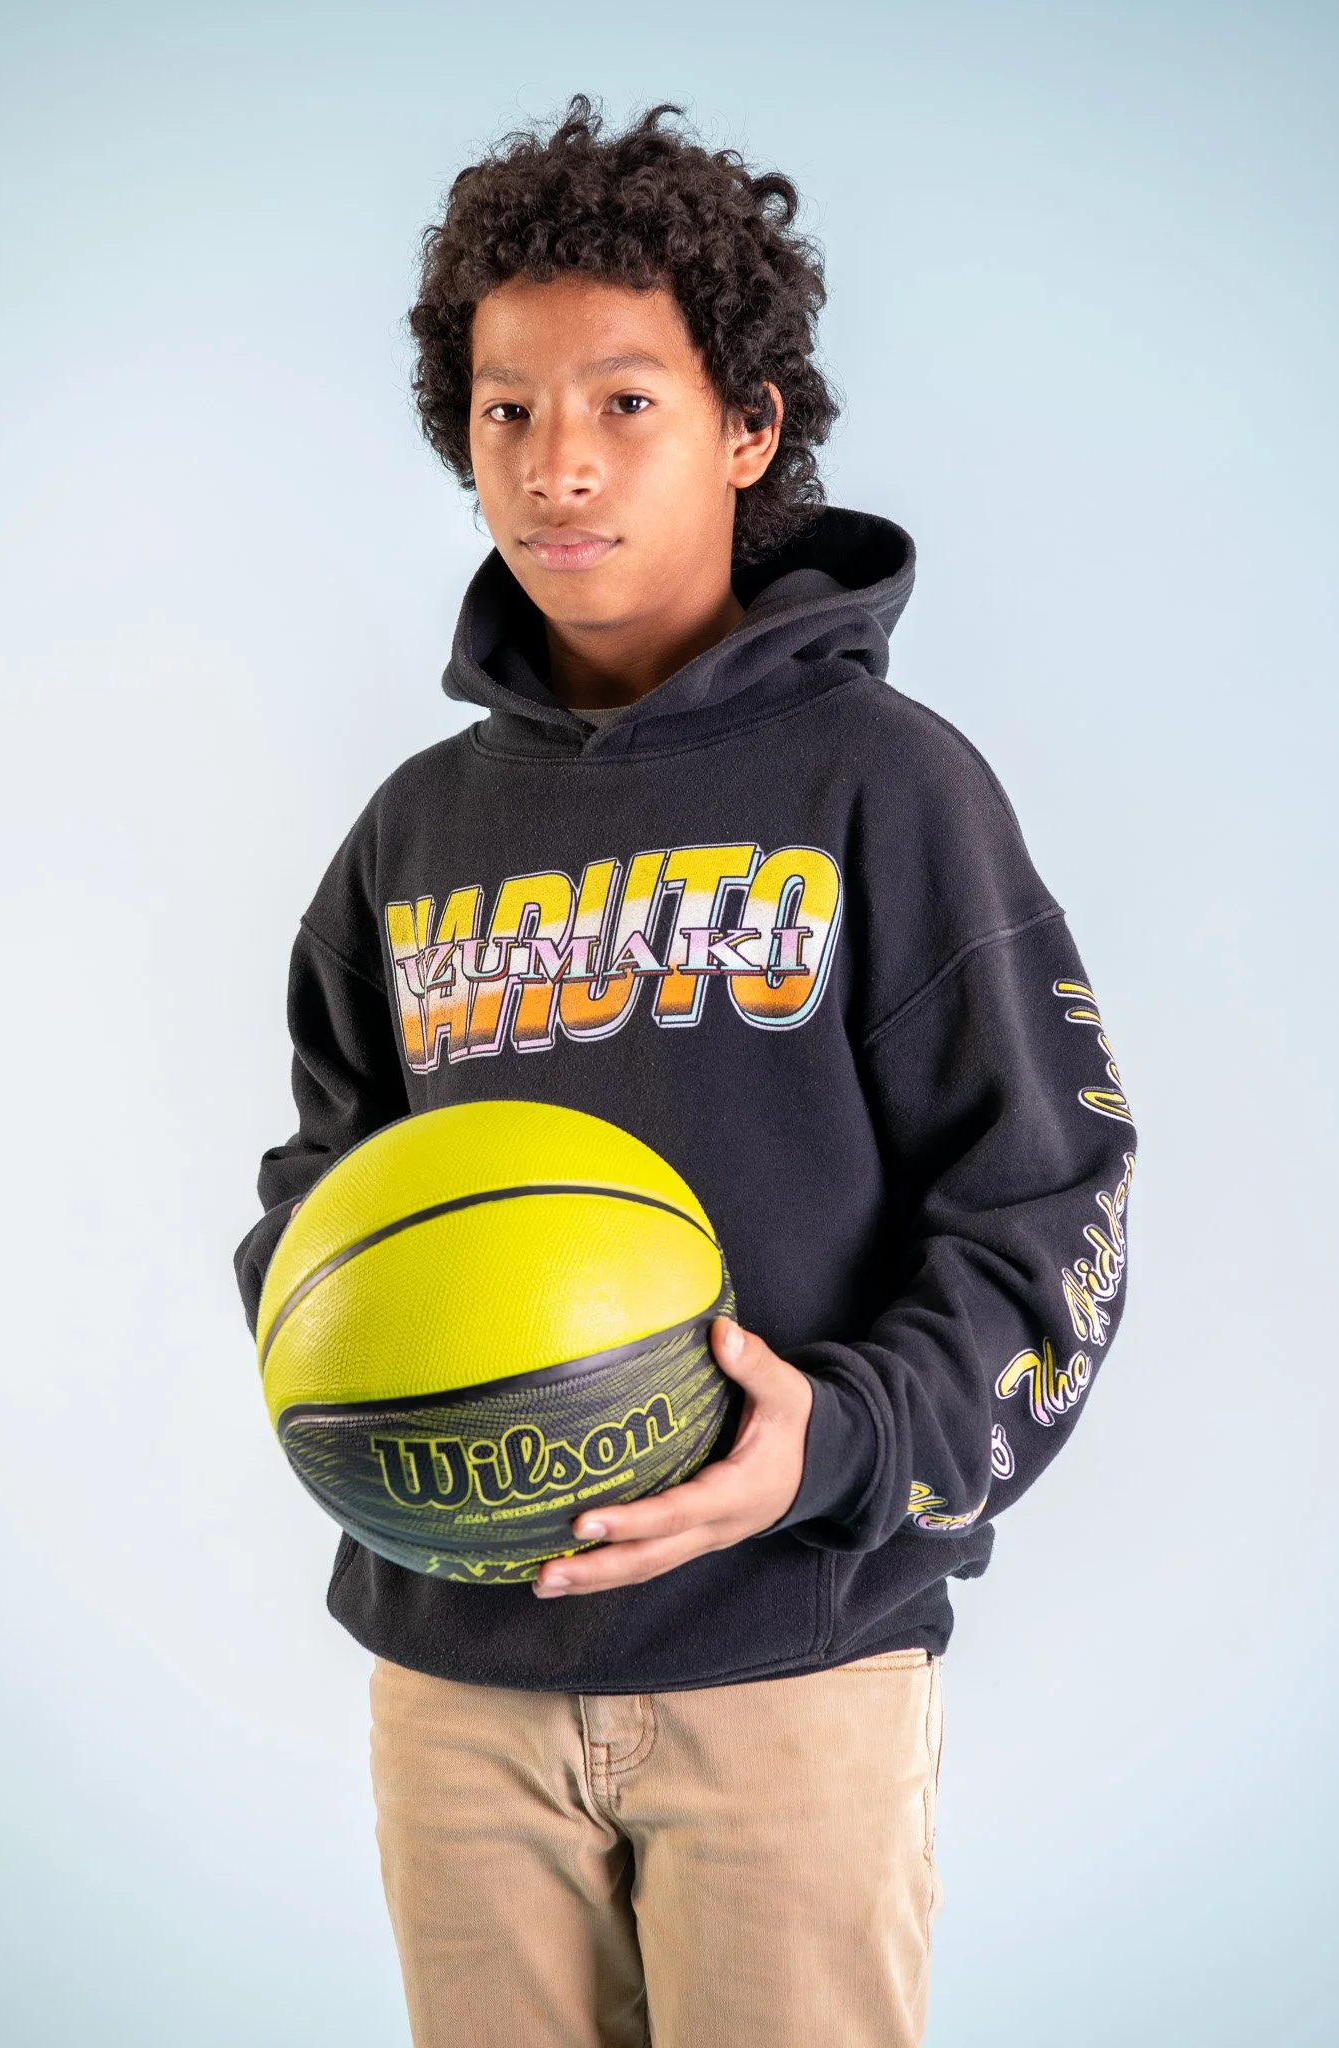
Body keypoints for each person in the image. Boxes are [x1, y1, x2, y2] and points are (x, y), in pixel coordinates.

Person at [234, 95, 1136, 2048]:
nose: (555, 464)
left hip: (787, 1670)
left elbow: (1054, 1207)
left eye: (624, 403)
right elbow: (318, 1191)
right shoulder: (411, 835)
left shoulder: (885, 792)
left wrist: (835, 1439)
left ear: (749, 426)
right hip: (457, 1680)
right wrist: (338, 1357)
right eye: (502, 410)